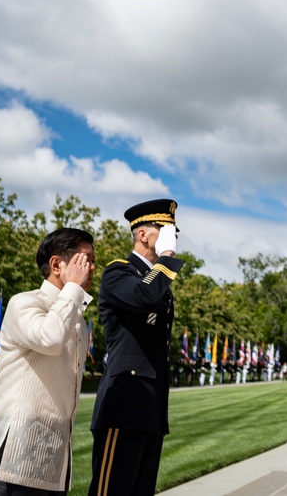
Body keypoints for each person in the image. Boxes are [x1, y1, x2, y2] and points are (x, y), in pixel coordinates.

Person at [0, 227, 95, 496]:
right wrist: (74, 287)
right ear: (56, 264)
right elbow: (50, 338)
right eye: (84, 259)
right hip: (15, 459)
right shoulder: (24, 303)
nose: (92, 267)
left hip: (55, 462)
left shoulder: (76, 319)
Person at [89, 199, 185, 496]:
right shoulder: (119, 273)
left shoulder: (157, 281)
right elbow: (144, 296)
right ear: (143, 234)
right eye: (165, 231)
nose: (173, 239)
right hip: (125, 402)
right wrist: (166, 256)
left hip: (151, 405)